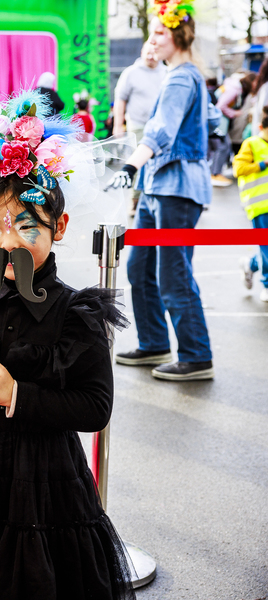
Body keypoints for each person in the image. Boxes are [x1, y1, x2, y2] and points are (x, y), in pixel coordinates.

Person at [0, 88, 136, 599]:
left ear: (59, 227)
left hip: (47, 486)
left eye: (27, 226)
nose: (8, 241)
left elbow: (95, 407)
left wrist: (18, 395)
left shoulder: (75, 312)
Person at [107, 2, 221, 381]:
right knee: (140, 268)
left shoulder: (180, 79)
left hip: (176, 189)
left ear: (179, 36)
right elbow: (213, 120)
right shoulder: (183, 76)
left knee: (173, 274)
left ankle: (196, 355)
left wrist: (130, 166)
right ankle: (155, 342)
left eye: (160, 33)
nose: (152, 40)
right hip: (157, 186)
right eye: (151, 32)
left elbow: (161, 130)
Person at [113, 44, 168, 203]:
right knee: (138, 163)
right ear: (141, 52)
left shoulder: (166, 72)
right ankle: (136, 200)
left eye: (153, 53)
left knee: (160, 163)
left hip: (160, 126)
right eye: (147, 53)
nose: (150, 56)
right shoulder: (131, 73)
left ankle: (154, 200)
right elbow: (120, 99)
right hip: (137, 124)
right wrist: (118, 124)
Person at [232, 106, 268, 303]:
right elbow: (238, 169)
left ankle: (251, 264)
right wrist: (262, 164)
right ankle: (267, 284)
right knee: (267, 248)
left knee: (266, 249)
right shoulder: (252, 143)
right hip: (260, 206)